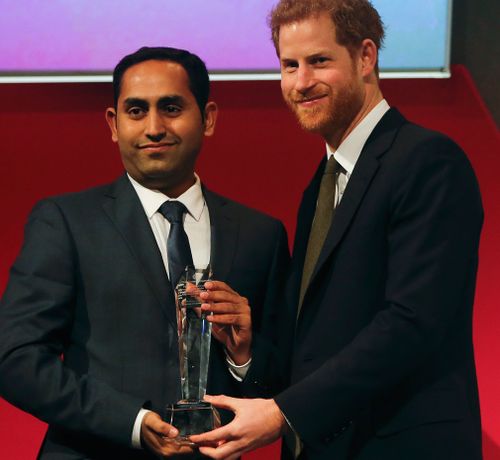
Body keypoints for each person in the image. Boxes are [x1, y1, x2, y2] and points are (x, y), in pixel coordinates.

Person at [190, 1, 484, 459]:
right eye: (290, 65)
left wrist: (284, 413)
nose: (301, 82)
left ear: (365, 57)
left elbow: (412, 323)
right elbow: (317, 343)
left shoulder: (427, 161)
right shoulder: (323, 185)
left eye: (319, 61)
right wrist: (247, 348)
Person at [0, 47, 289, 459]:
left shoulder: (262, 234)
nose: (154, 127)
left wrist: (245, 356)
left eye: (171, 107)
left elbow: (282, 379)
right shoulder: (65, 222)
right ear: (113, 124)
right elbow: (15, 360)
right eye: (136, 111)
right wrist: (131, 422)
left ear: (207, 118)